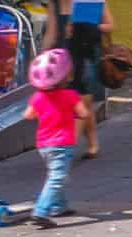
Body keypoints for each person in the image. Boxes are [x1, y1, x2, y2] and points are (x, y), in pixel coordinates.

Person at [43, 0, 112, 159]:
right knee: (83, 104)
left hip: (87, 55)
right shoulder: (55, 4)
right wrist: (42, 56)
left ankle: (66, 147)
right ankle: (92, 143)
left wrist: (90, 26)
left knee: (81, 101)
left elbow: (109, 25)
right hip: (65, 59)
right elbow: (51, 33)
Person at [23, 48, 88, 223]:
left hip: (43, 146)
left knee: (56, 175)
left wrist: (43, 110)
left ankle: (59, 206)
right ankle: (41, 211)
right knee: (57, 177)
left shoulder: (37, 97)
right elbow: (83, 113)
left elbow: (28, 115)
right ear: (67, 75)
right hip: (62, 144)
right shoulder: (71, 95)